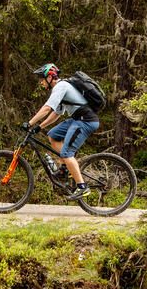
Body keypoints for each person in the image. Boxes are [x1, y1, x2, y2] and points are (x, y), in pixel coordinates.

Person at [24, 63, 100, 201]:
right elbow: (56, 113)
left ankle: (82, 187)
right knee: (53, 136)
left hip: (85, 120)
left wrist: (29, 123)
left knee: (66, 153)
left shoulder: (60, 86)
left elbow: (47, 108)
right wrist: (39, 127)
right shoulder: (61, 87)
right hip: (78, 119)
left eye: (42, 79)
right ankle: (66, 168)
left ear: (50, 77)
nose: (41, 82)